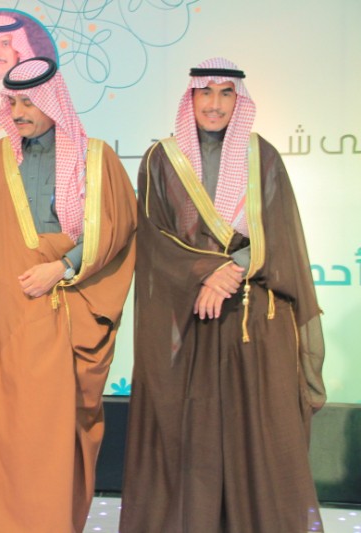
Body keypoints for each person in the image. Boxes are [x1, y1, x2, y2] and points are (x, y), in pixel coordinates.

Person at [119, 58, 326, 532]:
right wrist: (206, 273)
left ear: (239, 100)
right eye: (205, 93)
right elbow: (153, 236)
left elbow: (280, 231)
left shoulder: (262, 155)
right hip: (190, 313)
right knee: (194, 437)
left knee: (257, 431)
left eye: (225, 94)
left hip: (253, 316)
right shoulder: (161, 159)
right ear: (190, 97)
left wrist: (231, 270)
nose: (214, 104)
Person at [0, 57, 137, 533]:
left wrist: (62, 266)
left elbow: (116, 228)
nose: (18, 112)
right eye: (12, 102)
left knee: (51, 436)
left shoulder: (95, 159)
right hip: (5, 323)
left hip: (63, 317)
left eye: (29, 102)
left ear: (53, 101)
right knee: (3, 434)